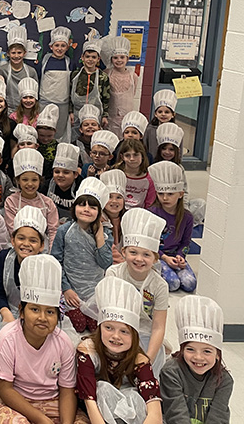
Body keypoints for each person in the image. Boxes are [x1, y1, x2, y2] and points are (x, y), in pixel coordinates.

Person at [0, 254, 89, 423]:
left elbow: (66, 390)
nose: (42, 318)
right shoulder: (6, 339)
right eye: (34, 309)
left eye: (50, 312)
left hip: (53, 399)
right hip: (14, 399)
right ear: (21, 311)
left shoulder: (63, 343)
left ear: (58, 316)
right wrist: (42, 420)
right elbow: (5, 389)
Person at [76, 276, 162, 424]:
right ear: (99, 327)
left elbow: (154, 408)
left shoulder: (139, 359)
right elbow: (89, 400)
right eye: (108, 327)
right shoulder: (87, 351)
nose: (116, 336)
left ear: (134, 335)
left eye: (124, 331)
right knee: (102, 388)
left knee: (136, 398)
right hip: (95, 413)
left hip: (126, 412)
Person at [105, 208, 169, 376]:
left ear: (155, 258)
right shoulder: (114, 274)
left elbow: (158, 327)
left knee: (148, 369)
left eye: (146, 254)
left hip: (144, 332)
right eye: (133, 252)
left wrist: (148, 359)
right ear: (123, 252)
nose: (139, 259)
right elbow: (107, 317)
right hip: (117, 329)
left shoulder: (160, 286)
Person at [51, 178, 114, 333]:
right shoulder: (64, 231)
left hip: (94, 290)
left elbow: (105, 263)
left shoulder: (106, 234)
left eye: (92, 207)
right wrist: (66, 288)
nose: (86, 209)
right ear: (75, 207)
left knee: (94, 326)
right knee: (78, 325)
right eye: (81, 204)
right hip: (70, 288)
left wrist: (99, 236)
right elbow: (56, 262)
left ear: (99, 212)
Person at [160, 296, 233, 423]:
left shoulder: (224, 380)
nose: (198, 357)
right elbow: (176, 414)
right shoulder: (171, 372)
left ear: (217, 353)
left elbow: (218, 417)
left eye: (207, 351)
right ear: (182, 349)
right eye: (190, 349)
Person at [0, 206, 48, 325]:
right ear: (12, 240)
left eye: (33, 240)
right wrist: (6, 313)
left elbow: (48, 303)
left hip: (37, 316)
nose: (26, 244)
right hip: (7, 311)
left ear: (42, 245)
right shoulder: (3, 258)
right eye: (21, 238)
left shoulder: (46, 267)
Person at [147, 161, 196, 292]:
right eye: (161, 194)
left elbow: (186, 242)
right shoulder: (152, 213)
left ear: (180, 194)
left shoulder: (187, 217)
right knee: (173, 284)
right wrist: (164, 257)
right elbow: (149, 243)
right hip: (158, 256)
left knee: (190, 283)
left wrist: (181, 256)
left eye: (170, 194)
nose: (165, 198)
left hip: (175, 256)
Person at [4, 148, 59, 247]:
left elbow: (53, 231)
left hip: (42, 247)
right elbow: (12, 229)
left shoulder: (48, 203)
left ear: (40, 181)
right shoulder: (11, 201)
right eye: (25, 180)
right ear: (18, 181)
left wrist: (51, 251)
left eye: (34, 180)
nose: (30, 184)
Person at [39, 26, 74, 143]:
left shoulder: (69, 62)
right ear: (51, 46)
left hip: (62, 105)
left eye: (63, 46)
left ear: (67, 47)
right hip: (44, 103)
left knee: (58, 134)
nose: (59, 48)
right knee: (43, 133)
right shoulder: (45, 60)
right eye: (57, 45)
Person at [69, 40, 110, 139]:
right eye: (87, 57)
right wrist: (70, 112)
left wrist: (105, 115)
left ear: (98, 59)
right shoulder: (75, 75)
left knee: (95, 138)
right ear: (82, 58)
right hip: (77, 113)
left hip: (95, 116)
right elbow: (69, 94)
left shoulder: (103, 76)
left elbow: (106, 98)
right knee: (76, 138)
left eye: (93, 57)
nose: (90, 59)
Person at [103, 36, 136, 138]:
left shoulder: (133, 76)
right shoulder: (107, 74)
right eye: (115, 58)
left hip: (127, 118)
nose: (119, 60)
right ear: (111, 59)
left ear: (127, 58)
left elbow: (133, 93)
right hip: (110, 119)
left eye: (122, 57)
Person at [0, 25, 38, 111]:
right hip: (8, 110)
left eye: (19, 52)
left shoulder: (31, 71)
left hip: (27, 110)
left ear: (24, 53)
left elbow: (35, 94)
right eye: (13, 53)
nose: (16, 56)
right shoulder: (3, 70)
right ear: (8, 54)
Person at [114, 138, 155, 210]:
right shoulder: (116, 175)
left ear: (142, 156)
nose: (132, 159)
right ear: (122, 157)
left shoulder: (150, 179)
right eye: (127, 155)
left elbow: (149, 204)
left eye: (136, 155)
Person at [47, 143, 83, 222]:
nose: (60, 175)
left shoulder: (82, 187)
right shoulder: (47, 185)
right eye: (57, 172)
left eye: (66, 172)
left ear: (75, 174)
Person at [145, 89, 181, 160]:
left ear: (173, 115)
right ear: (155, 114)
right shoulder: (150, 129)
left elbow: (179, 152)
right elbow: (145, 147)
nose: (163, 114)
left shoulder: (177, 131)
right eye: (160, 112)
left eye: (167, 112)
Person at [101, 169, 128, 264]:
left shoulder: (127, 218)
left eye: (119, 197)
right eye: (109, 197)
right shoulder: (99, 220)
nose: (114, 201)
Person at [35, 104, 60, 183]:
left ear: (55, 132)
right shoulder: (33, 145)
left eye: (49, 136)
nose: (45, 139)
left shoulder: (57, 147)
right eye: (41, 135)